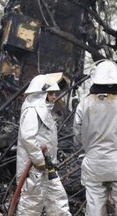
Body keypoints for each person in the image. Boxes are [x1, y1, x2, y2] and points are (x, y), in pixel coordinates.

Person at [73, 60, 117, 215]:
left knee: (94, 206)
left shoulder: (84, 104)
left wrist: (87, 146)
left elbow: (77, 133)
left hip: (94, 163)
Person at [16, 72, 71, 215]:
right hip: (34, 170)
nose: (54, 96)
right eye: (50, 93)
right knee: (31, 206)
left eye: (54, 93)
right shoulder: (32, 109)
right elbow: (27, 136)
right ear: (41, 93)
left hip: (47, 168)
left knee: (58, 202)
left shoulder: (43, 110)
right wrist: (39, 160)